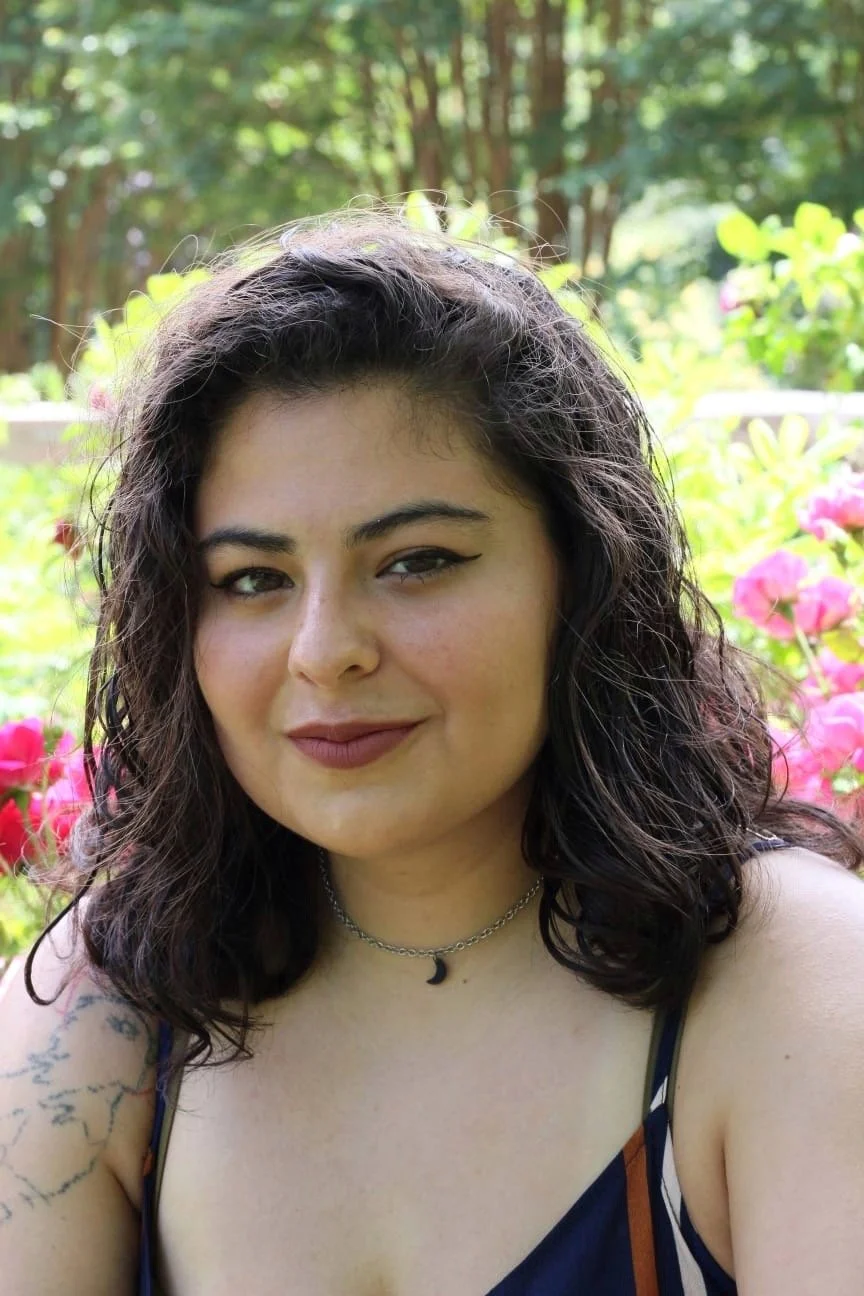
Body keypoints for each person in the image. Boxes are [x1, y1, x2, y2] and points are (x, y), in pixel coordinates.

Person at [2, 206, 864, 1296]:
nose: (325, 651)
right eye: (253, 580)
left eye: (416, 561)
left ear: (583, 577)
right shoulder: (107, 1009)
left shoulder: (792, 988)